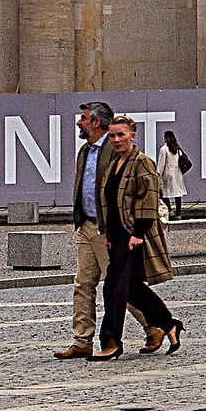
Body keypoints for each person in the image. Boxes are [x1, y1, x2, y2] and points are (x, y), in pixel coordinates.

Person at [55, 101, 147, 359]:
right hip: (86, 224)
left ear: (96, 122)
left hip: (107, 229)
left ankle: (154, 326)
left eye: (83, 118)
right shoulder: (86, 151)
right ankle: (82, 340)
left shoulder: (114, 149)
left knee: (120, 285)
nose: (78, 122)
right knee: (83, 283)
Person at [93, 115, 182, 359]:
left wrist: (138, 234)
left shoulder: (142, 162)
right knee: (131, 288)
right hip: (118, 235)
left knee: (113, 288)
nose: (116, 140)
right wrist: (109, 234)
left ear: (133, 135)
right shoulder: (115, 164)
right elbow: (110, 202)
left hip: (133, 235)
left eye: (121, 135)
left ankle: (111, 342)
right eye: (112, 135)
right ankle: (169, 323)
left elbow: (149, 198)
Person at [159, 129, 190, 219]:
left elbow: (161, 164)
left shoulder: (164, 149)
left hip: (167, 174)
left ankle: (170, 210)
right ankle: (178, 214)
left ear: (166, 138)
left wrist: (158, 174)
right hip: (177, 173)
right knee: (177, 194)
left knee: (164, 193)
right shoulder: (177, 148)